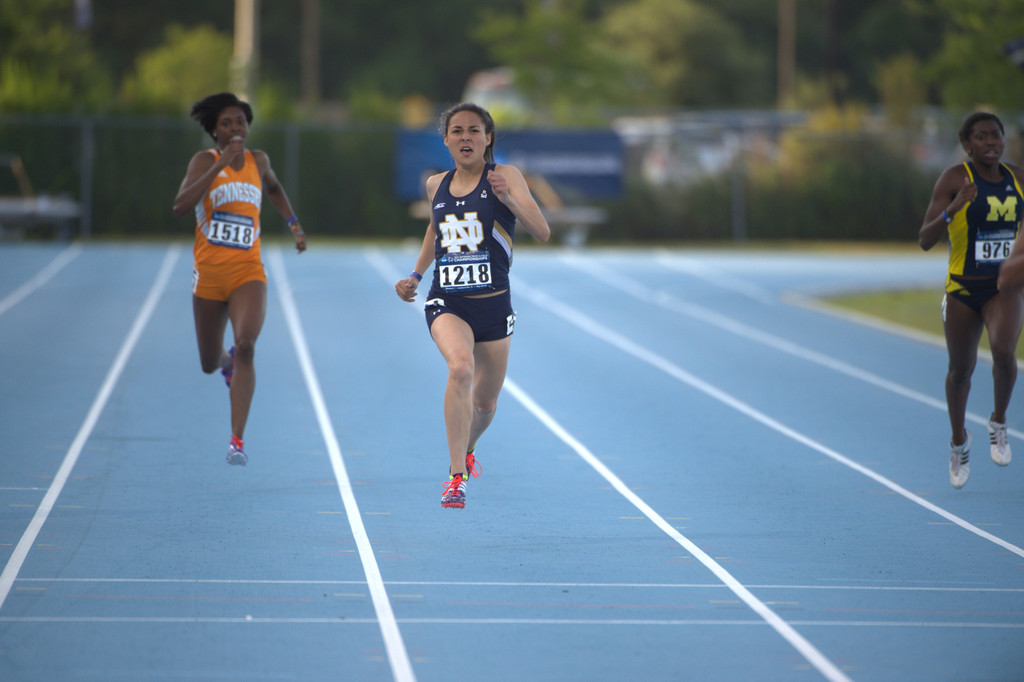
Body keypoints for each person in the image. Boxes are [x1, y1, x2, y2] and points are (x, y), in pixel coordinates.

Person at [394, 103, 551, 508]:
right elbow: (435, 229)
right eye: (457, 130)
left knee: (484, 404)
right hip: (448, 301)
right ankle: (455, 477)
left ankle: (467, 448)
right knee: (460, 368)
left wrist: (508, 199)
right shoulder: (436, 184)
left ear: (488, 138)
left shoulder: (506, 177)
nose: (466, 137)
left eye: (474, 130)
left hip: (494, 307)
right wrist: (415, 275)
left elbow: (542, 231)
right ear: (446, 140)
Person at [172, 92, 307, 466]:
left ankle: (237, 441)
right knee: (208, 361)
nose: (236, 128)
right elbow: (180, 207)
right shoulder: (203, 161)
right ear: (214, 130)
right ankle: (226, 364)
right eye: (227, 123)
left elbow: (274, 188)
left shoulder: (258, 161)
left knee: (246, 344)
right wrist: (220, 165)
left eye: (241, 122)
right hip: (209, 276)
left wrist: (294, 223)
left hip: (248, 271)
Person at [919, 111, 1024, 489]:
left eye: (997, 135)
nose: (992, 142)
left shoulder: (1018, 179)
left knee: (1004, 352)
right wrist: (952, 210)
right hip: (963, 288)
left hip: (1003, 287)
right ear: (967, 145)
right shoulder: (953, 179)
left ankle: (998, 421)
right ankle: (959, 441)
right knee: (960, 370)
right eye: (982, 137)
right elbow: (925, 239)